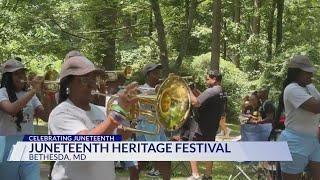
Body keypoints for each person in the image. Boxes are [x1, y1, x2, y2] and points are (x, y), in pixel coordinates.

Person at [48, 55, 137, 180]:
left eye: (93, 79)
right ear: (68, 83)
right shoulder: (61, 113)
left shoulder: (101, 111)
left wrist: (132, 115)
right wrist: (118, 113)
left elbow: (120, 137)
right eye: (85, 80)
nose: (92, 85)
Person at [0, 59, 49, 180]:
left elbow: (46, 117)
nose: (22, 76)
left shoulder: (29, 94)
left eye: (23, 73)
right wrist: (33, 91)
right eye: (17, 73)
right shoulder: (2, 92)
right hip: (7, 145)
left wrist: (47, 95)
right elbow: (11, 109)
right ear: (8, 76)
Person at [277, 55, 320, 180]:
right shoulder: (291, 89)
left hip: (313, 140)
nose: (311, 75)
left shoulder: (310, 87)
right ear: (296, 72)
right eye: (307, 72)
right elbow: (316, 108)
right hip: (295, 142)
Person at [135, 63, 171, 180]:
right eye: (155, 73)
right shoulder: (141, 88)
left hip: (156, 125)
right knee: (158, 155)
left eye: (158, 73)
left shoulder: (160, 88)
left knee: (163, 155)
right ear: (148, 75)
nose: (158, 75)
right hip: (147, 124)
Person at [188, 70, 226, 180]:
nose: (206, 80)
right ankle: (208, 175)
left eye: (207, 78)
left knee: (192, 148)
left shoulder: (211, 91)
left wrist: (188, 90)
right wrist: (195, 91)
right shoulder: (221, 91)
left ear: (214, 79)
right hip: (212, 126)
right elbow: (205, 99)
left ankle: (195, 175)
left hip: (200, 126)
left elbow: (196, 103)